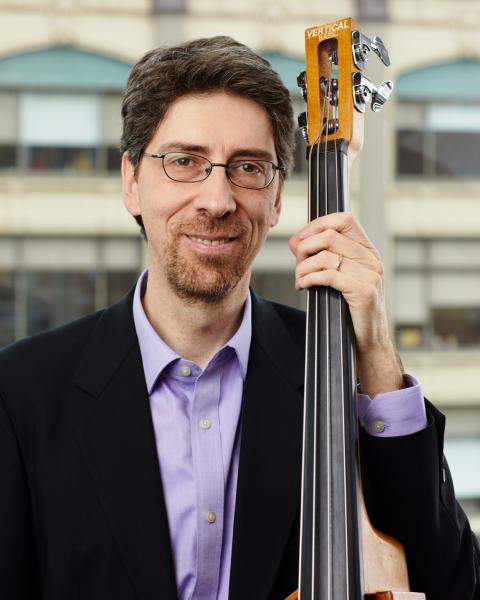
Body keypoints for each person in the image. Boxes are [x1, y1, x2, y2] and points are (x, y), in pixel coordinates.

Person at [0, 36, 478, 600]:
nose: (217, 200)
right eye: (184, 162)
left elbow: (451, 583)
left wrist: (374, 350)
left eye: (248, 167)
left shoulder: (340, 373)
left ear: (276, 200)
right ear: (132, 183)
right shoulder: (20, 391)